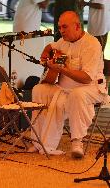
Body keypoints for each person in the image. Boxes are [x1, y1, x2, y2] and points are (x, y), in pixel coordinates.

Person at [29, 11, 109, 158]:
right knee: (39, 89)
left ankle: (77, 142)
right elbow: (51, 46)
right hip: (63, 88)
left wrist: (62, 69)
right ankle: (39, 141)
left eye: (64, 27)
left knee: (77, 94)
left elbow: (86, 78)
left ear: (77, 26)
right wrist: (46, 52)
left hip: (91, 88)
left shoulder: (92, 44)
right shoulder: (63, 41)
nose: (61, 31)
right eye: (59, 27)